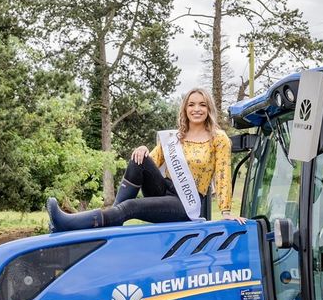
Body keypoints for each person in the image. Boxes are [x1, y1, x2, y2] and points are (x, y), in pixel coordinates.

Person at [46, 87, 244, 231]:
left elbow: (223, 175)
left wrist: (226, 211)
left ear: (209, 109)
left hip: (187, 203)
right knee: (138, 158)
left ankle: (69, 223)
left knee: (130, 207)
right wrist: (142, 149)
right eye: (191, 105)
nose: (196, 109)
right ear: (185, 109)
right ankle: (115, 216)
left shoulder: (218, 138)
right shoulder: (175, 137)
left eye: (202, 105)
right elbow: (151, 162)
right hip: (164, 189)